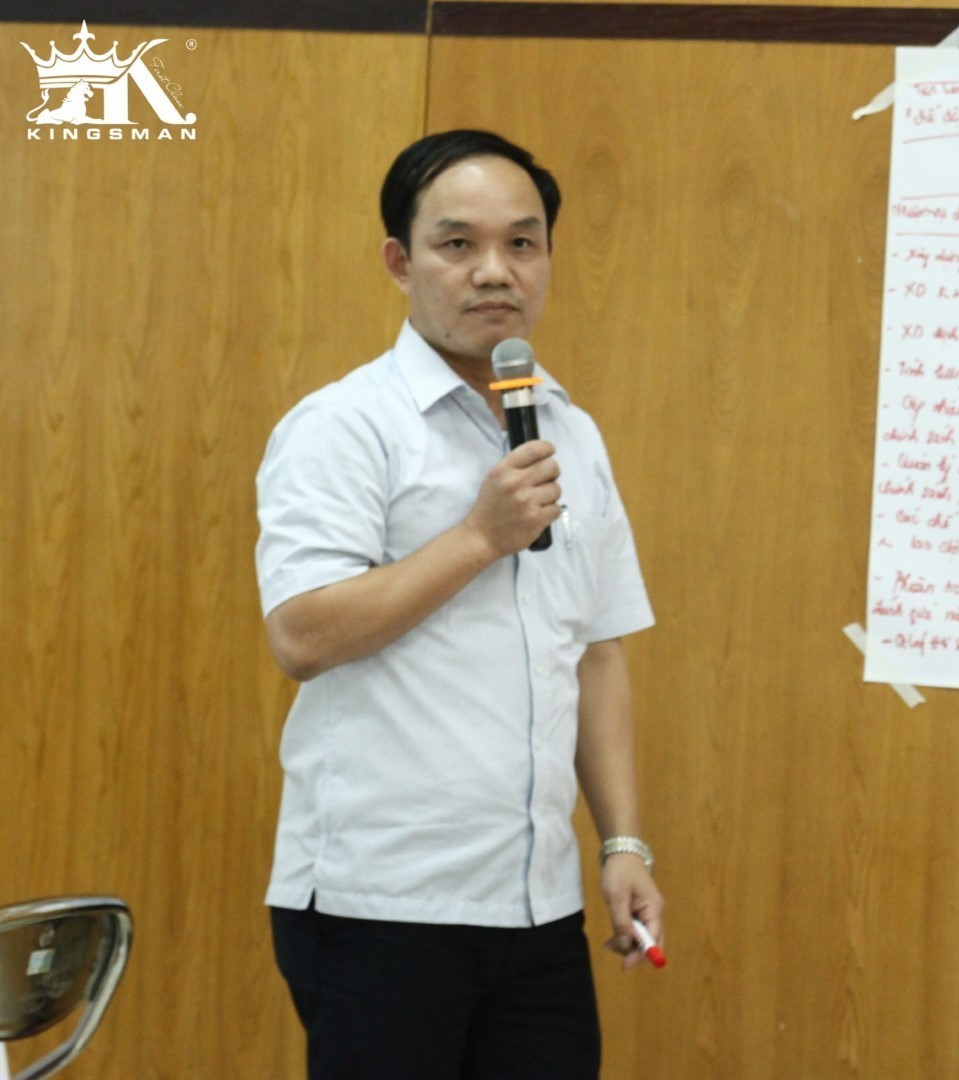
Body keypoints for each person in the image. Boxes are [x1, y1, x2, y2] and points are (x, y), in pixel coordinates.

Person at [254, 129, 662, 1080]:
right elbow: (301, 634)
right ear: (401, 262)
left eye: (522, 243)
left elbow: (596, 650)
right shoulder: (344, 426)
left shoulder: (572, 432)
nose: (494, 271)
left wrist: (622, 843)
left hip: (538, 904)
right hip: (381, 905)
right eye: (457, 244)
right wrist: (479, 536)